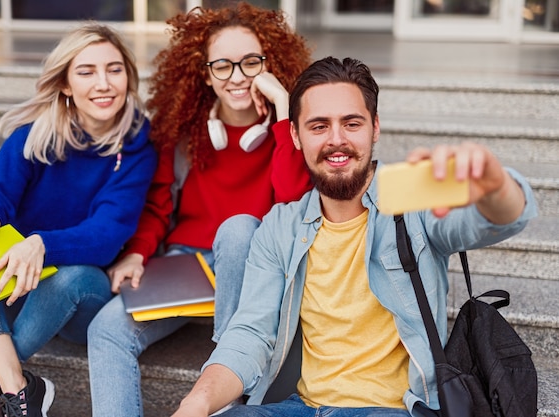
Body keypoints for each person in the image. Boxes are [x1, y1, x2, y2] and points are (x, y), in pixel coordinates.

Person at [170, 56, 539, 417]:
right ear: (295, 136)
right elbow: (250, 334)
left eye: (351, 123)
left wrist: (496, 186)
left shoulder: (411, 202)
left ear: (374, 127)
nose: (336, 140)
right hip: (300, 407)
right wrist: (197, 403)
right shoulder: (280, 227)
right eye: (318, 126)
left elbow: (495, 222)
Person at [87, 3, 312, 417]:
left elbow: (293, 207)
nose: (238, 77)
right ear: (206, 74)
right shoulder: (184, 132)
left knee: (240, 228)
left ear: (270, 63)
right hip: (185, 268)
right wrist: (138, 252)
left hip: (252, 267)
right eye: (222, 66)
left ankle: (228, 390)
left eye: (250, 63)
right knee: (105, 329)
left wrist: (285, 107)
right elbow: (158, 206)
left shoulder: (290, 135)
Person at [0, 22, 157, 417]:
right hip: (13, 283)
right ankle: (17, 385)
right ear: (66, 84)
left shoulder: (137, 149)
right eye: (86, 72)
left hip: (79, 296)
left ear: (128, 78)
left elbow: (106, 234)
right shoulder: (34, 135)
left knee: (68, 275)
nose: (103, 83)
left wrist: (41, 243)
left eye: (114, 69)